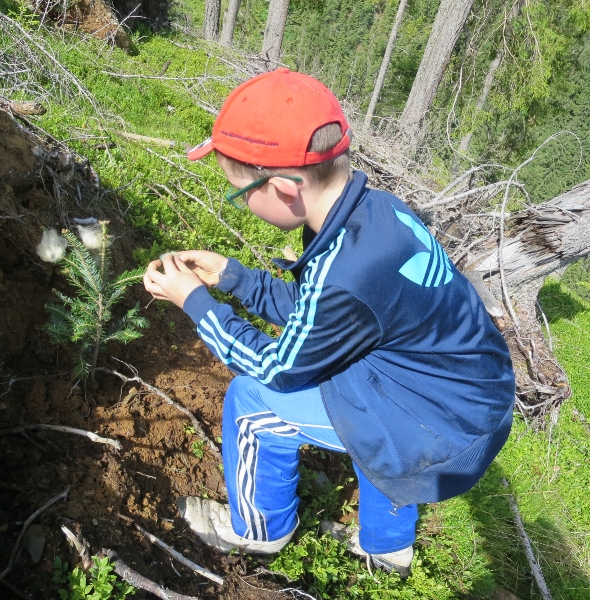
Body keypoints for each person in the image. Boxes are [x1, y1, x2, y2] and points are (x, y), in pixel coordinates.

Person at [142, 68, 515, 578]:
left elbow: (276, 369)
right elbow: (324, 313)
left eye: (238, 193)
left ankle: (259, 532)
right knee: (355, 377)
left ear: (282, 188)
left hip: (441, 433)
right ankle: (388, 550)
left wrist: (195, 303)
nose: (241, 204)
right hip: (467, 398)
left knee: (251, 403)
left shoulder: (347, 272)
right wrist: (235, 278)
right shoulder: (374, 212)